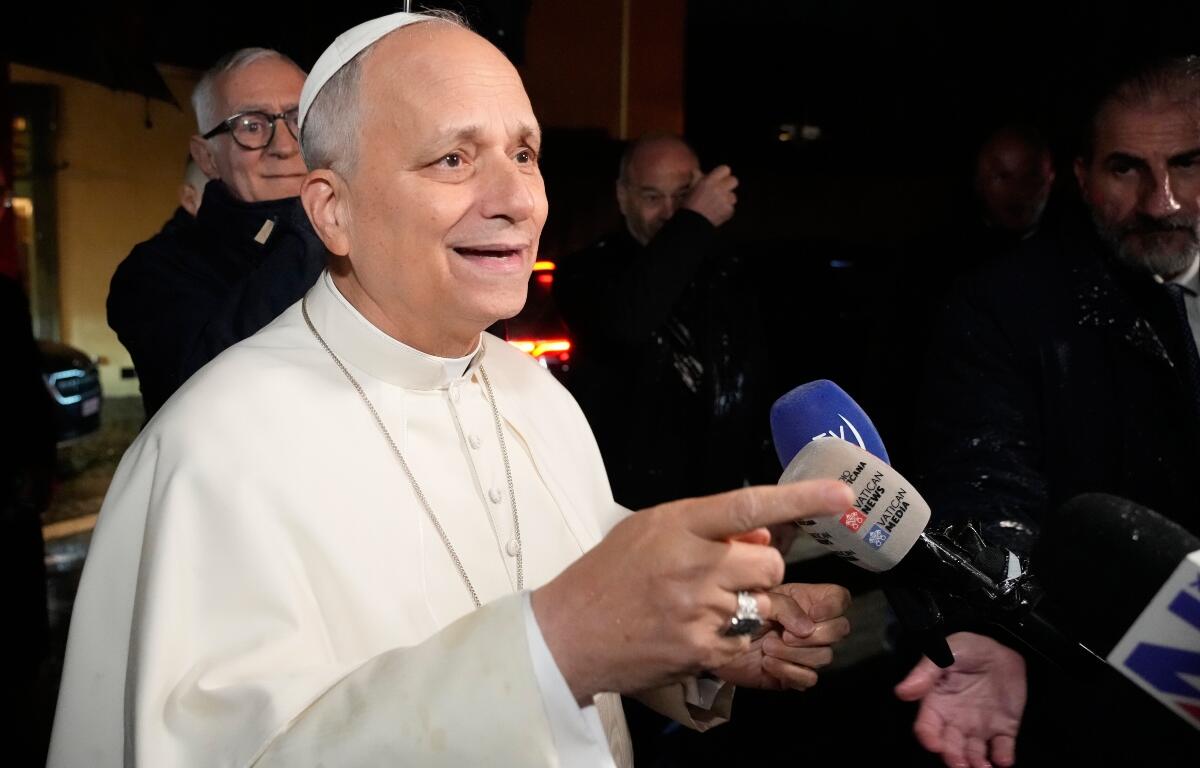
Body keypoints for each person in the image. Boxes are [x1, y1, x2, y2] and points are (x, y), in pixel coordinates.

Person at [50, 14, 859, 766]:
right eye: (453, 159)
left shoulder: (538, 398)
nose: (515, 202)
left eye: (524, 154)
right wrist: (553, 646)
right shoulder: (212, 450)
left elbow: (606, 605)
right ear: (331, 211)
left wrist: (715, 629)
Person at [912, 55, 1200, 765]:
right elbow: (988, 475)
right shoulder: (1005, 308)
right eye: (1126, 169)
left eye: (1189, 164)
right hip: (1112, 712)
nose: (1160, 201)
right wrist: (996, 625)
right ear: (1080, 176)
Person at [555, 133, 771, 510]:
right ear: (623, 197)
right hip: (626, 509)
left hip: (721, 505)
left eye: (684, 196)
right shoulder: (587, 272)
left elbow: (756, 387)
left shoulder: (729, 274)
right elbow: (626, 324)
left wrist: (773, 490)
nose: (671, 213)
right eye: (653, 197)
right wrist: (695, 220)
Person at [107, 47, 324, 420]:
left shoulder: (364, 240)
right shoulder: (153, 272)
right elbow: (207, 386)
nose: (285, 146)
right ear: (206, 157)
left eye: (298, 118)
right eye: (251, 126)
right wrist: (313, 224)